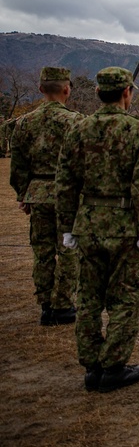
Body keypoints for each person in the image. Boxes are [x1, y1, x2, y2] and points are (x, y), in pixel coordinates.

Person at [55, 67, 139, 393]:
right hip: (125, 225)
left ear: (98, 93)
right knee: (125, 298)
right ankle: (113, 365)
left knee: (87, 298)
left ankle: (91, 365)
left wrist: (67, 226)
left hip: (87, 224)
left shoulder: (79, 129)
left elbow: (66, 182)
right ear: (127, 93)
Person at [9, 66, 81, 326]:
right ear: (67, 89)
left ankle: (45, 305)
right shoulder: (75, 121)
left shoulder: (24, 122)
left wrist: (23, 193)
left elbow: (17, 165)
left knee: (42, 252)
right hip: (67, 195)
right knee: (69, 250)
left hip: (38, 193)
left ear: (40, 89)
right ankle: (63, 304)